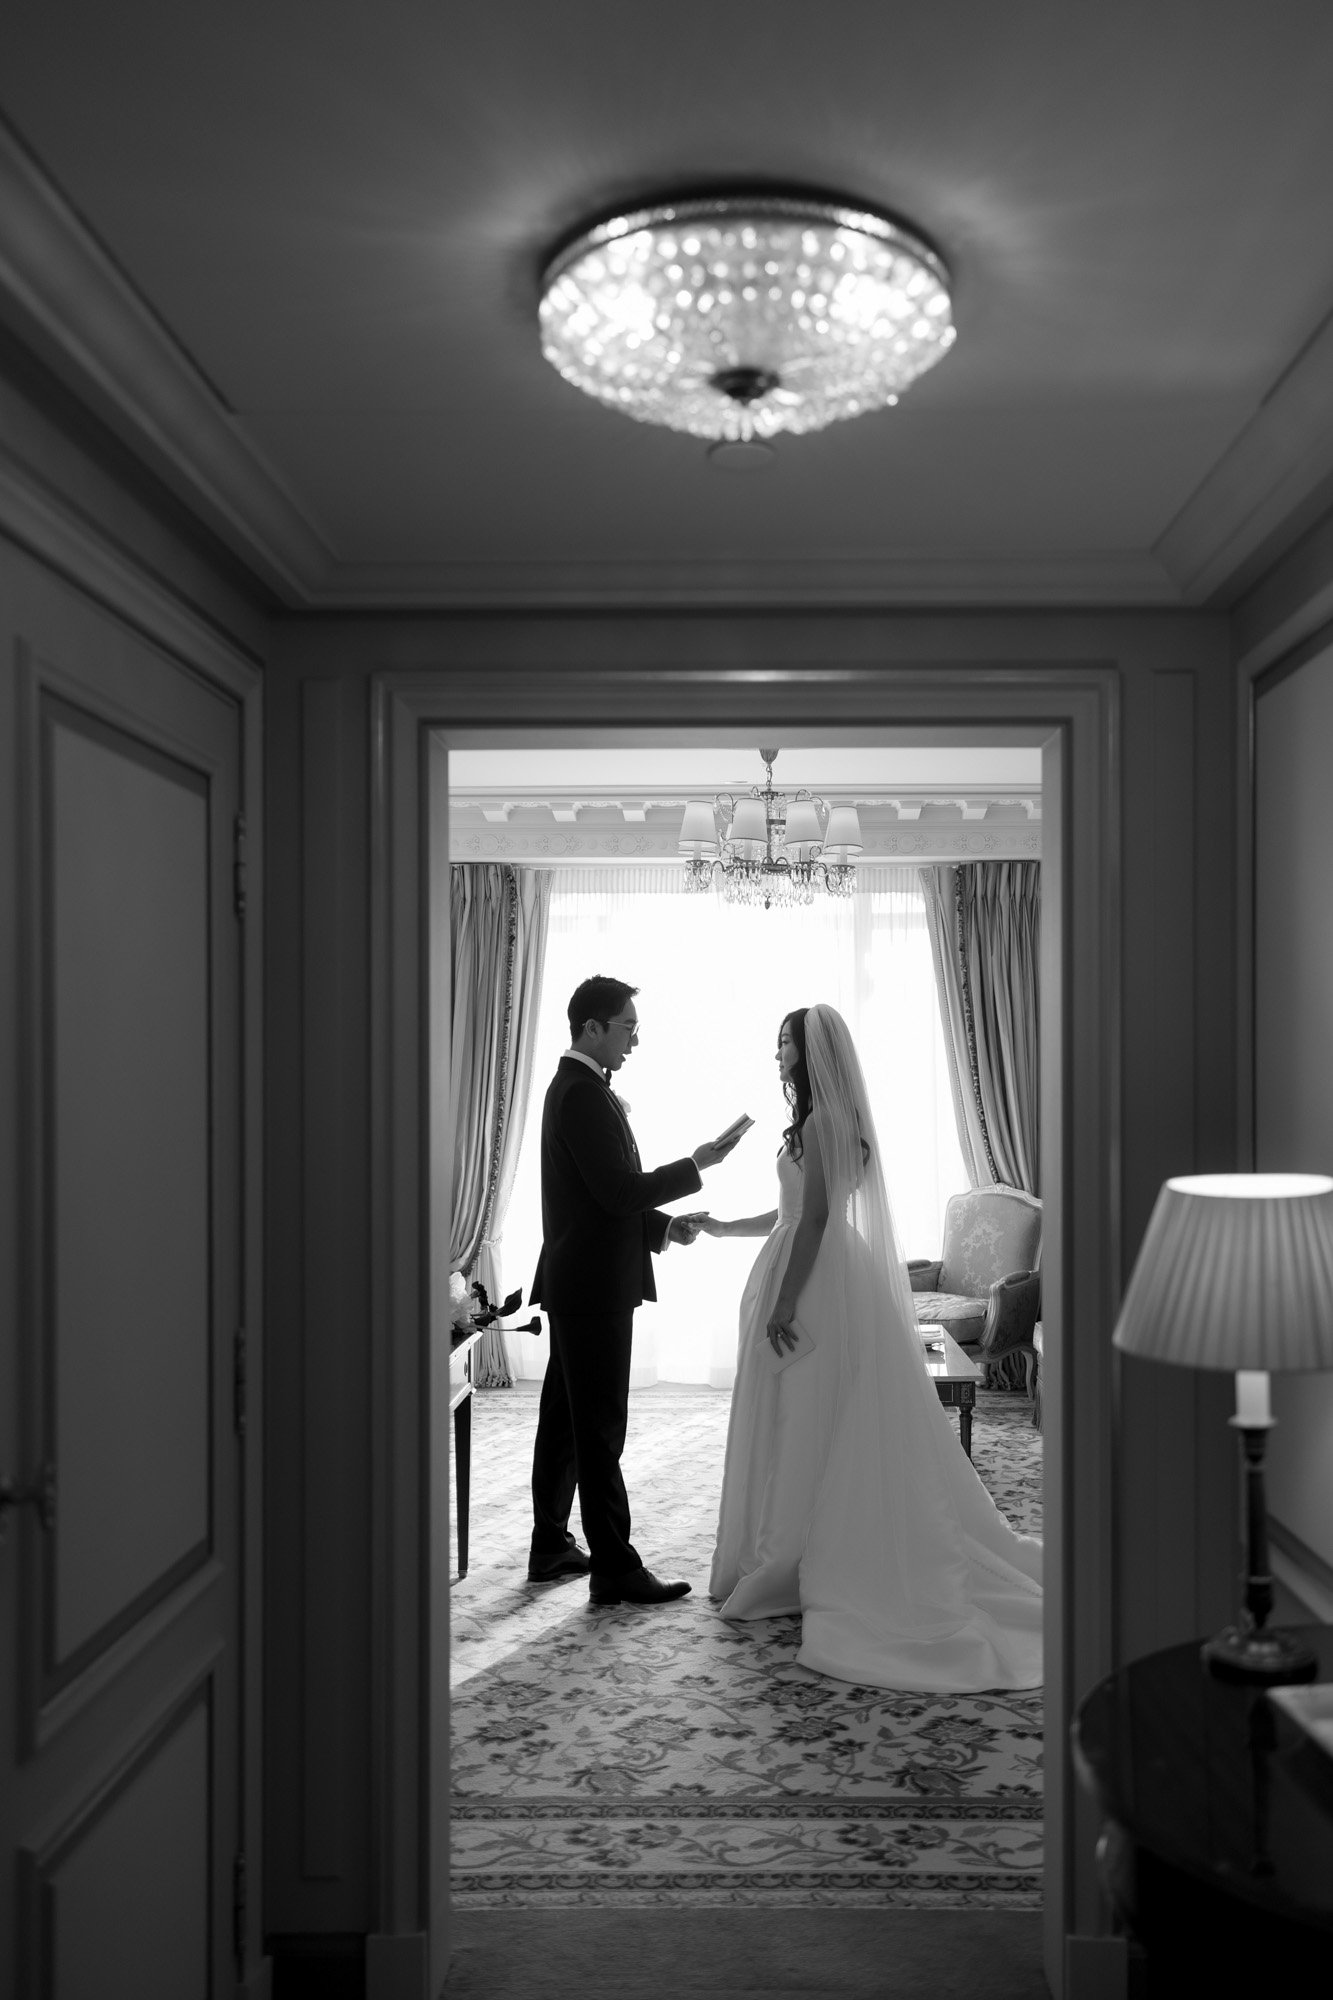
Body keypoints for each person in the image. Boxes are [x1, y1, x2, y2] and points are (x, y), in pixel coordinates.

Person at [700, 1004, 1042, 1690]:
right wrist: (721, 1226)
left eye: (784, 1044)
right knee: (797, 1410)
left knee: (804, 1409)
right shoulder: (816, 1124)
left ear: (811, 1053)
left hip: (815, 1275)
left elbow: (817, 1219)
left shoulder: (826, 1123)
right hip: (804, 1260)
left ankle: (798, 1554)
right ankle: (784, 1549)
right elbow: (790, 1212)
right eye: (775, 1044)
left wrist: (788, 1300)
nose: (777, 1056)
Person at [528, 975, 745, 1607]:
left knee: (566, 1423)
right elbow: (618, 1191)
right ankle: (615, 1568)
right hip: (592, 1287)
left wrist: (663, 1227)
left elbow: (601, 1195)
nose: (635, 1039)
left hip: (579, 1278)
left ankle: (549, 1545)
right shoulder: (582, 1095)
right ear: (591, 1027)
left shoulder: (578, 1089)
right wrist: (697, 1164)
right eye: (627, 1026)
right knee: (598, 1429)